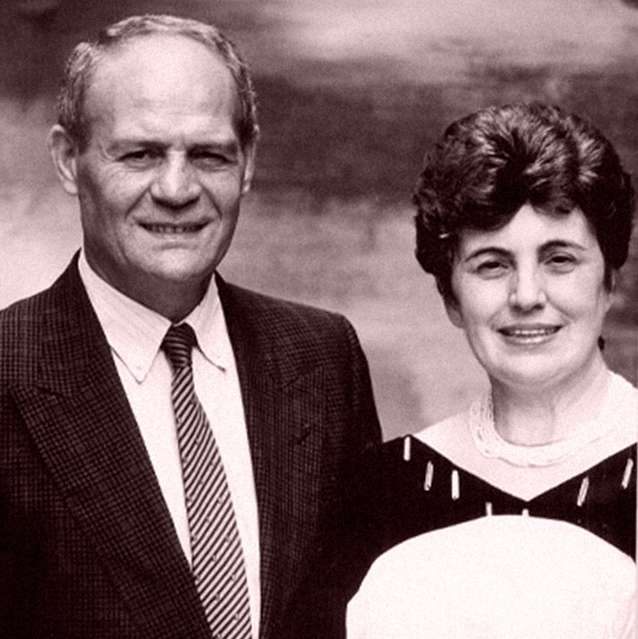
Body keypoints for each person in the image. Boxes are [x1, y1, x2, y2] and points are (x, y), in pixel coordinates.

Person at [0, 14, 381, 639]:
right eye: (140, 154)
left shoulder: (323, 359)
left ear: (247, 162)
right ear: (69, 160)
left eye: (208, 155)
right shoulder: (9, 368)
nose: (177, 189)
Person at [346, 103, 636, 638]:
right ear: (450, 297)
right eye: (492, 265)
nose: (526, 296)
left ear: (610, 282)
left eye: (560, 259)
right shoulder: (383, 489)